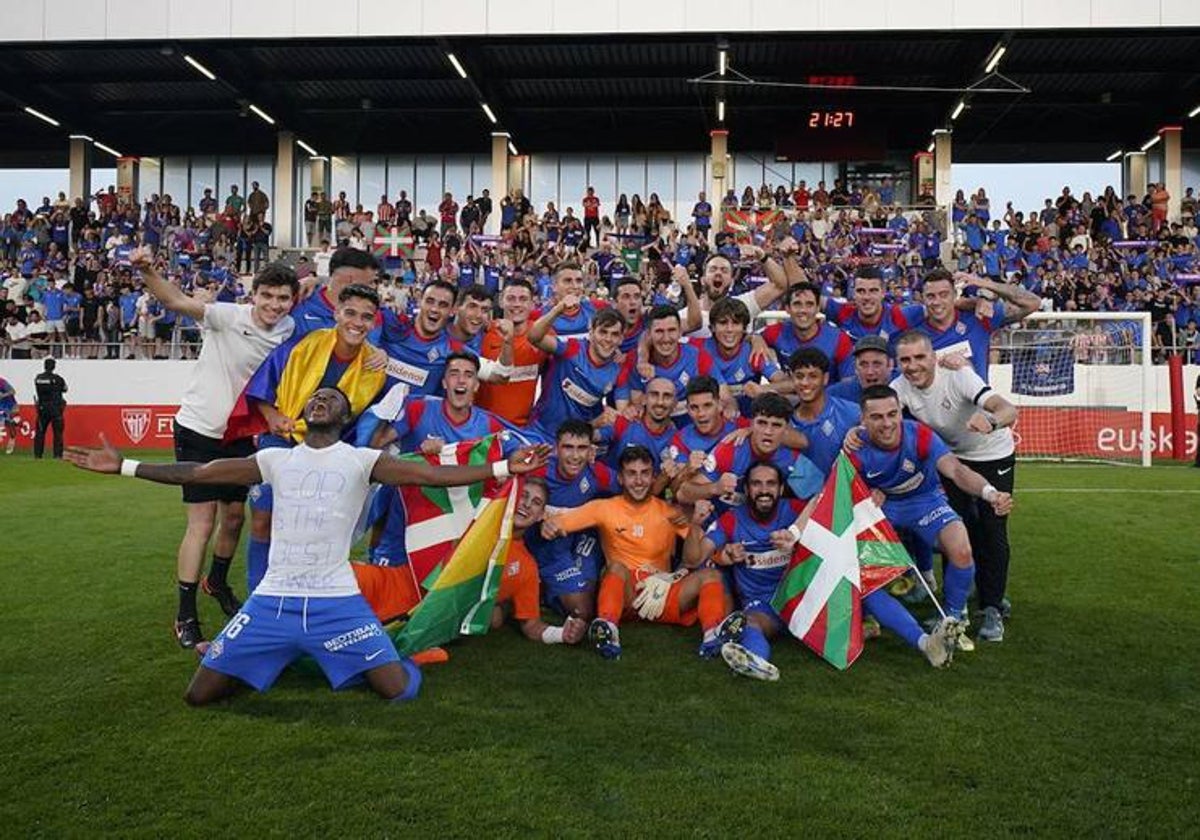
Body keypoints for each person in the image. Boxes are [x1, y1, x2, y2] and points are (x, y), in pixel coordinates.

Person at [64, 388, 550, 706]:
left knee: (398, 690)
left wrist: (506, 469)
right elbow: (198, 473)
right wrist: (125, 465)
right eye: (315, 398)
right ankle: (267, 654)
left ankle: (391, 654)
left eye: (331, 400)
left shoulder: (363, 460)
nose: (321, 401)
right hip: (272, 599)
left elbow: (431, 474)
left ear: (344, 417)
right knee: (199, 695)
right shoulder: (274, 459)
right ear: (303, 414)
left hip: (337, 601)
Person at [130, 247, 299, 648]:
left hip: (239, 435)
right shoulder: (227, 316)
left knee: (236, 518)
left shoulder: (291, 328)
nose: (274, 305)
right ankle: (185, 614)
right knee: (202, 525)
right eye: (267, 296)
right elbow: (173, 300)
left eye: (282, 298)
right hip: (199, 430)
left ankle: (217, 582)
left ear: (292, 301)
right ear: (253, 295)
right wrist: (147, 270)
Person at [683, 463, 955, 680]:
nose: (763, 490)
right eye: (756, 484)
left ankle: (926, 644)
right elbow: (694, 560)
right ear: (747, 489)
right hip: (768, 606)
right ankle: (757, 662)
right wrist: (695, 524)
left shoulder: (793, 510)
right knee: (749, 623)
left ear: (780, 489)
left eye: (770, 484)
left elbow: (823, 499)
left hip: (807, 593)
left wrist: (795, 531)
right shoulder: (731, 520)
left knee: (863, 588)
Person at [844, 385, 1014, 646]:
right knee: (866, 576)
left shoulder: (920, 436)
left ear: (900, 413)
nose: (887, 423)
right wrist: (864, 494)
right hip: (880, 510)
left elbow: (956, 471)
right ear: (863, 420)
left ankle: (952, 620)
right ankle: (870, 617)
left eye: (892, 414)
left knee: (961, 549)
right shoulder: (854, 449)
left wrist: (990, 493)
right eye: (876, 417)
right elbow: (841, 494)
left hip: (924, 501)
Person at [541, 446, 742, 660]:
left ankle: (712, 636)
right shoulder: (604, 508)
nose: (639, 481)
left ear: (653, 476)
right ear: (620, 478)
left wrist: (702, 534)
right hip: (626, 595)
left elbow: (697, 555)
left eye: (645, 473)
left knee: (711, 576)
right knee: (615, 567)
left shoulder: (669, 512)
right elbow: (559, 522)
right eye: (631, 474)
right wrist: (549, 526)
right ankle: (608, 629)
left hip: (661, 592)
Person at [892, 331, 1018, 642]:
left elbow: (1008, 409)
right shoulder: (899, 388)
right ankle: (954, 606)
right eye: (905, 360)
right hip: (950, 461)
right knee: (952, 529)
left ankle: (992, 608)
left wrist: (991, 422)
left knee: (992, 530)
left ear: (933, 357)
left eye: (919, 357)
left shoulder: (959, 375)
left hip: (992, 454)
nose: (913, 365)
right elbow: (878, 416)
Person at [33, 358, 67, 459]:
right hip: (55, 408)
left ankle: (38, 455)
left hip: (42, 408)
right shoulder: (58, 379)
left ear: (45, 366)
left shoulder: (38, 378)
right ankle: (57, 455)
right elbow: (65, 389)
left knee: (40, 432)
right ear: (54, 366)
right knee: (58, 433)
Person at [0, 375, 18, 453]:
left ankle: (12, 440)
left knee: (9, 424)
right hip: (1, 406)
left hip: (9, 405)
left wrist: (3, 395)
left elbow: (13, 391)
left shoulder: (2, 382)